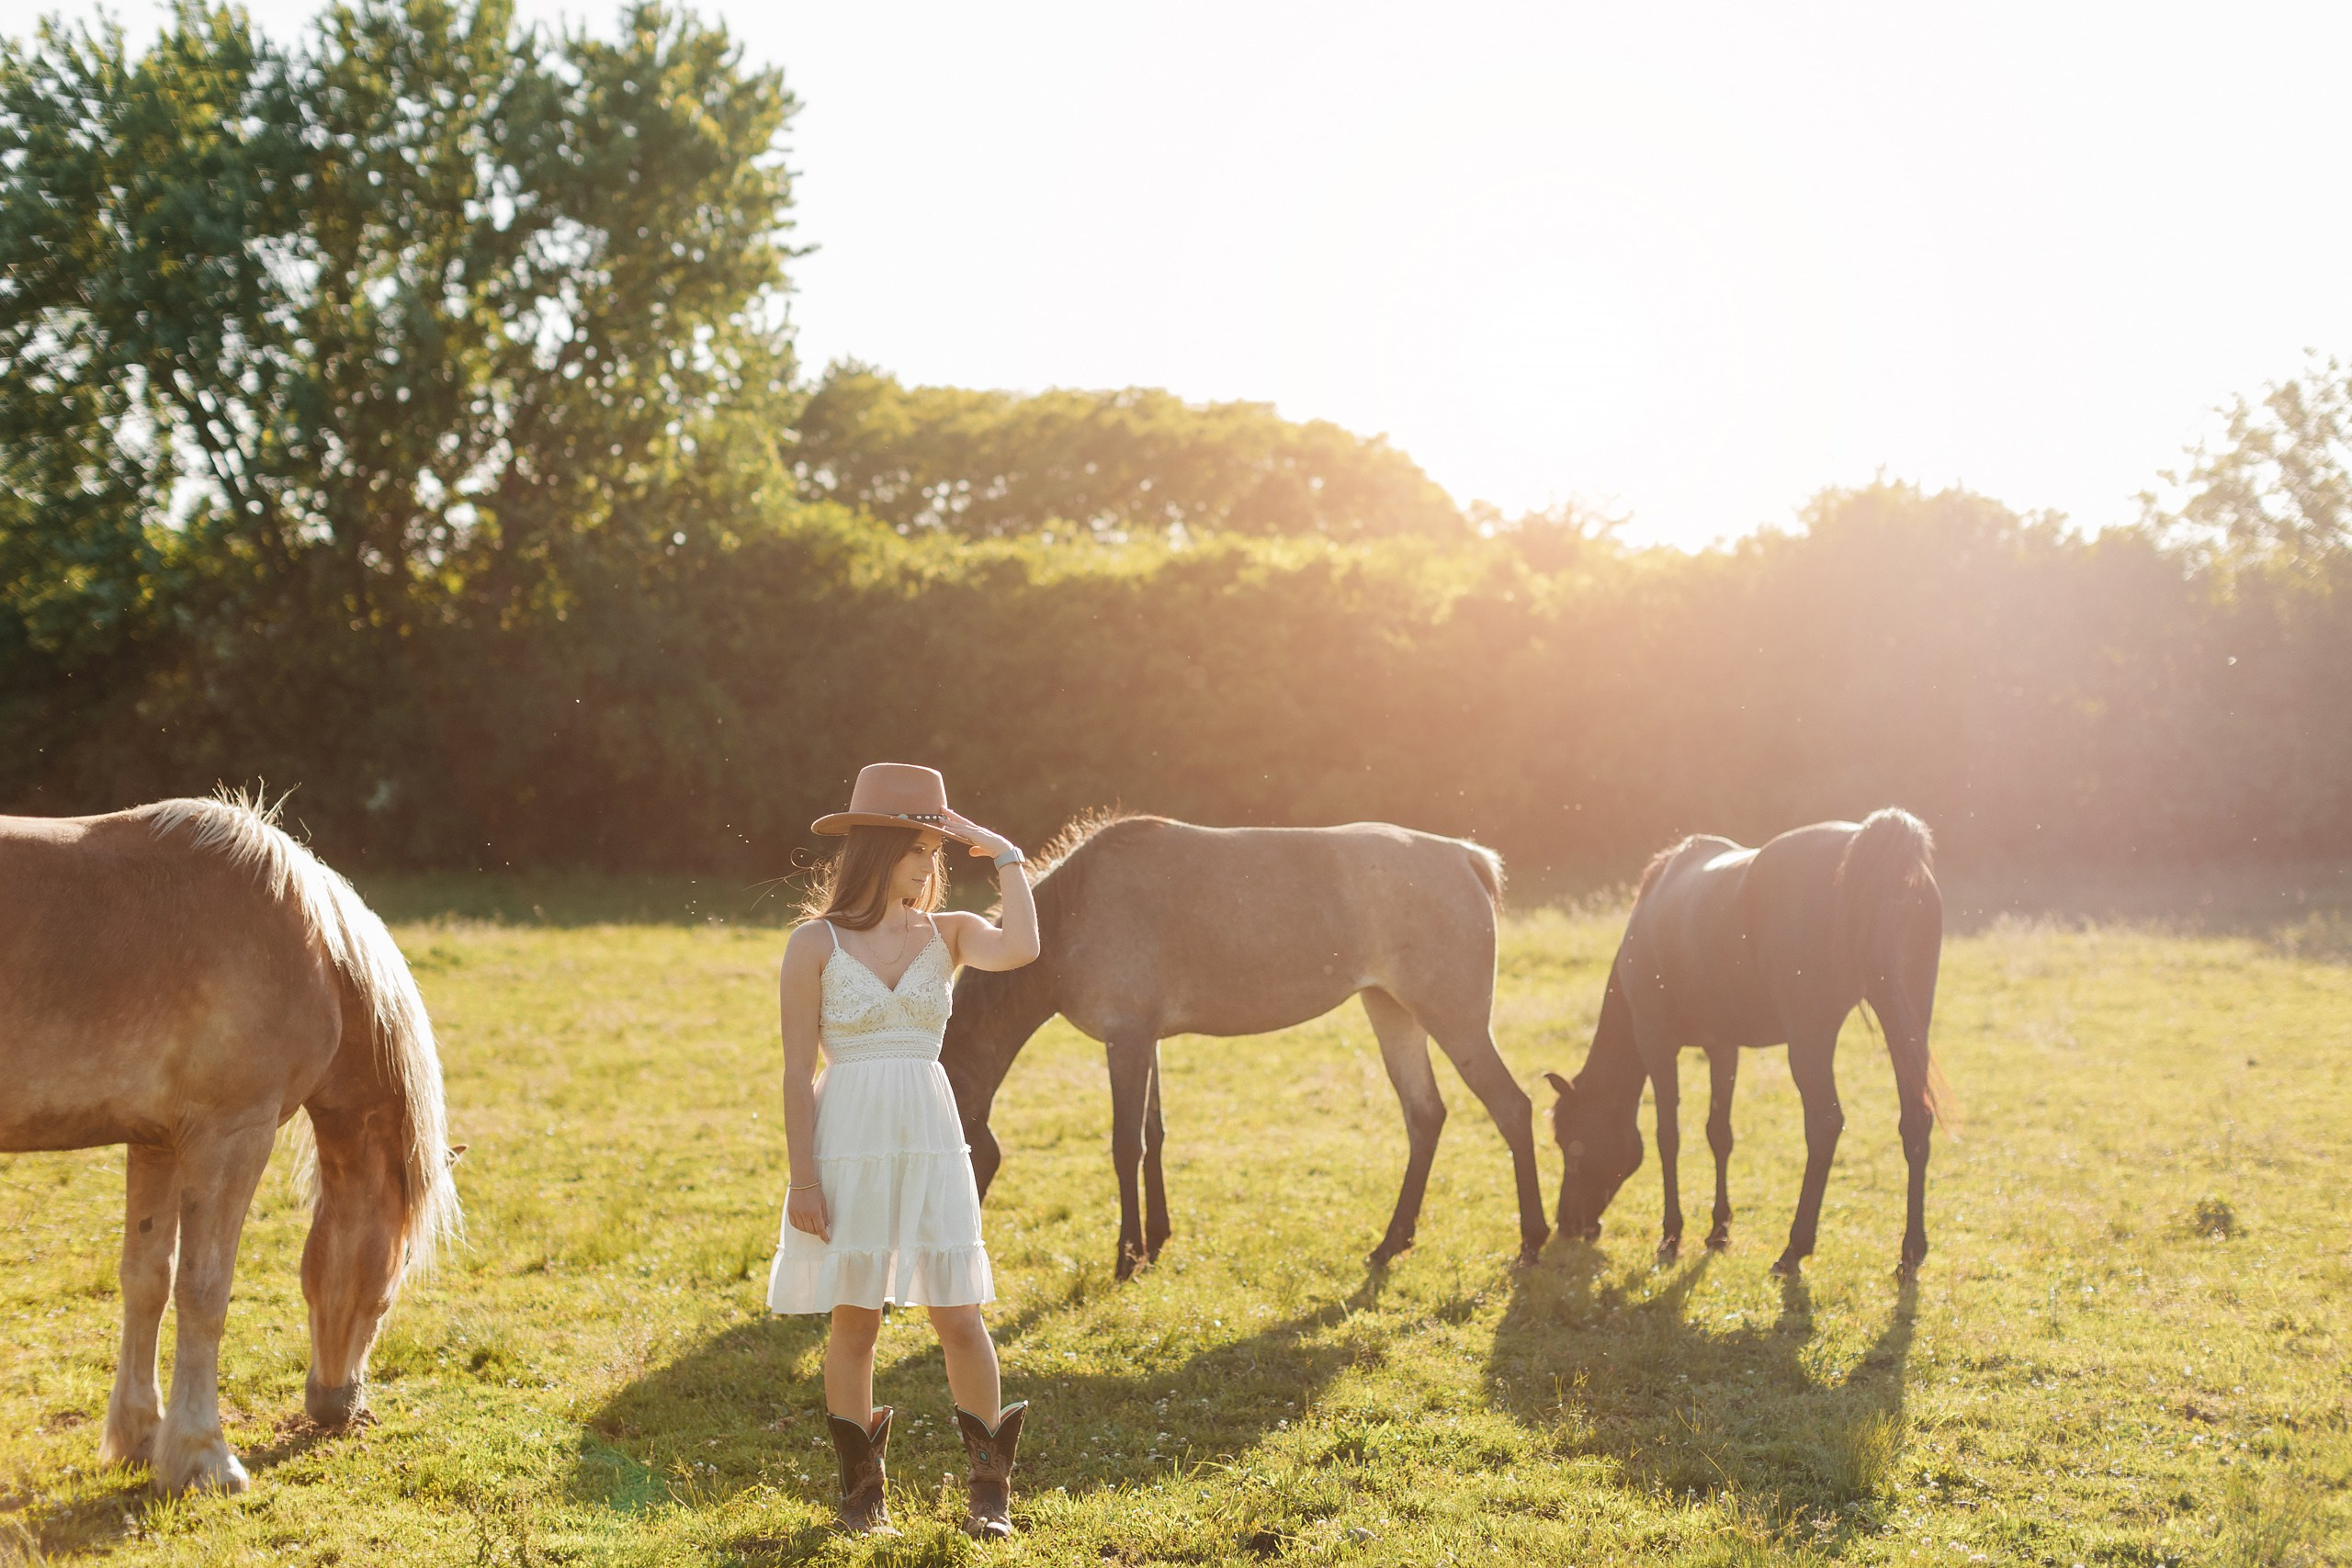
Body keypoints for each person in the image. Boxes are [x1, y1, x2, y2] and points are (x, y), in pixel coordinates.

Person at [768, 763, 1042, 1539]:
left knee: (959, 1313)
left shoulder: (947, 932)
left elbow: (1021, 946)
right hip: (846, 1136)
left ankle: (990, 1492)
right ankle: (862, 1498)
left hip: (928, 1133)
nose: (930, 865)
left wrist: (1003, 851)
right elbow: (795, 1072)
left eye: (935, 850)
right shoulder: (811, 943)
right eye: (918, 848)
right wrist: (802, 1180)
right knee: (856, 1320)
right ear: (878, 850)